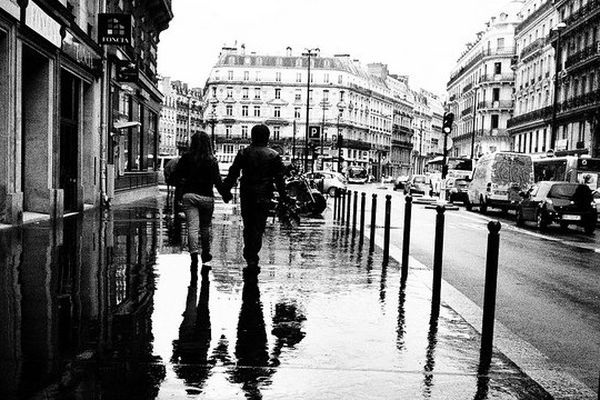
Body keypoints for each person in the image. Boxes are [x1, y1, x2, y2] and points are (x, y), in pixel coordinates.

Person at [223, 124, 288, 277]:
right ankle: (253, 254)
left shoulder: (244, 153)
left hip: (247, 193)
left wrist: (225, 190)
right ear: (267, 137)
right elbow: (279, 179)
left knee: (248, 224)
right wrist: (284, 197)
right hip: (264, 194)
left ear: (252, 136)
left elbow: (233, 173)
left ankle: (249, 253)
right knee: (259, 226)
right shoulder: (273, 155)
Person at [175, 131, 232, 277]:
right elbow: (218, 181)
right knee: (205, 227)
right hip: (206, 197)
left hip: (189, 195)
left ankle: (193, 254)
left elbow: (177, 176)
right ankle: (205, 253)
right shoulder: (211, 160)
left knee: (192, 227)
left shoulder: (186, 158)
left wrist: (180, 191)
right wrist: (226, 194)